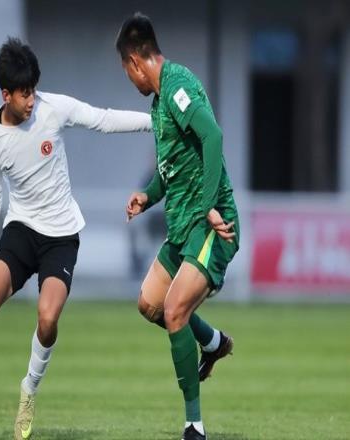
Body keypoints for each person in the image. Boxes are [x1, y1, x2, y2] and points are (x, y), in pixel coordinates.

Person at [0, 37, 152, 440]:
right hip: (22, 230)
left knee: (47, 319)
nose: (31, 100)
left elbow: (102, 119)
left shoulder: (52, 109)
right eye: (24, 93)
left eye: (33, 90)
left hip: (61, 236)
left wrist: (155, 122)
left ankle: (28, 389)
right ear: (5, 95)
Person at [116, 13, 240, 440]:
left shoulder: (177, 86)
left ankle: (193, 426)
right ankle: (213, 342)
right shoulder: (158, 103)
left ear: (135, 61)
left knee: (174, 312)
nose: (129, 79)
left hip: (211, 225)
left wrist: (208, 208)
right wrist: (148, 195)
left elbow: (213, 137)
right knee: (149, 304)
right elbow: (171, 169)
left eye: (125, 70)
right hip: (184, 228)